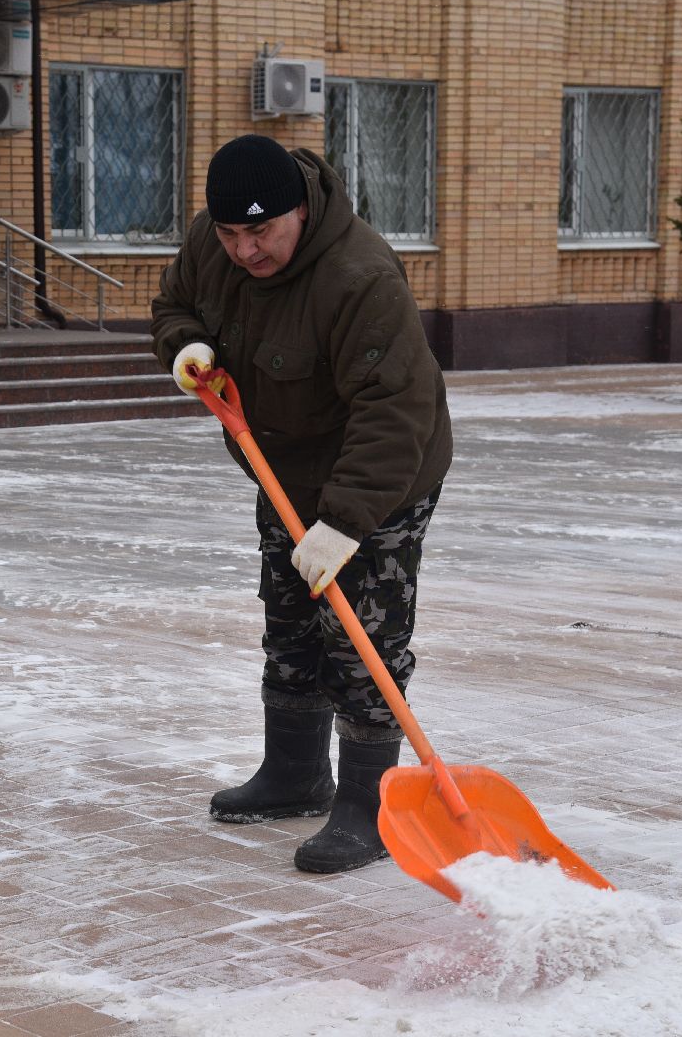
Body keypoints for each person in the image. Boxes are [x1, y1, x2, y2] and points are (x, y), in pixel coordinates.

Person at [150, 134, 452, 874]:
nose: (246, 250)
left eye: (262, 231)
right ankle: (294, 773)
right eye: (231, 234)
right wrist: (185, 345)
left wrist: (345, 524)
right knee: (289, 623)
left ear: (300, 211)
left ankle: (369, 804)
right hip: (282, 471)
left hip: (381, 476)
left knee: (361, 641)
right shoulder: (209, 244)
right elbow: (175, 304)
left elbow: (394, 414)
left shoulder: (359, 276)